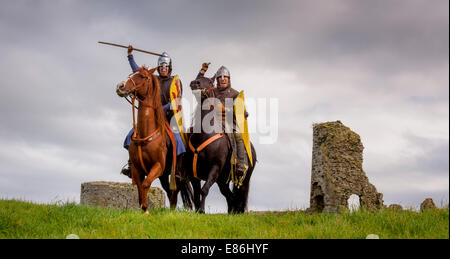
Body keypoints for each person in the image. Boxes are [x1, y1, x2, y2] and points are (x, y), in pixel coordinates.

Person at [121, 45, 186, 177]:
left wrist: (162, 109)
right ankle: (131, 164)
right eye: (161, 66)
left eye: (165, 66)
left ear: (169, 67)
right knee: (130, 137)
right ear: (158, 67)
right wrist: (130, 56)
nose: (163, 69)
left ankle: (178, 170)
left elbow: (177, 100)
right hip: (151, 117)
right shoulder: (152, 79)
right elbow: (137, 72)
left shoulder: (175, 81)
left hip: (167, 117)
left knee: (178, 141)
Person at [196, 64, 249, 178]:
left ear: (229, 79)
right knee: (191, 133)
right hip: (210, 121)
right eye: (220, 77)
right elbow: (197, 85)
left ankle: (240, 164)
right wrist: (202, 72)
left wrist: (243, 112)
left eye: (225, 77)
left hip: (228, 122)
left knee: (238, 136)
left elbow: (241, 108)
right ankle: (184, 167)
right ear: (218, 80)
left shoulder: (235, 94)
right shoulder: (211, 92)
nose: (223, 79)